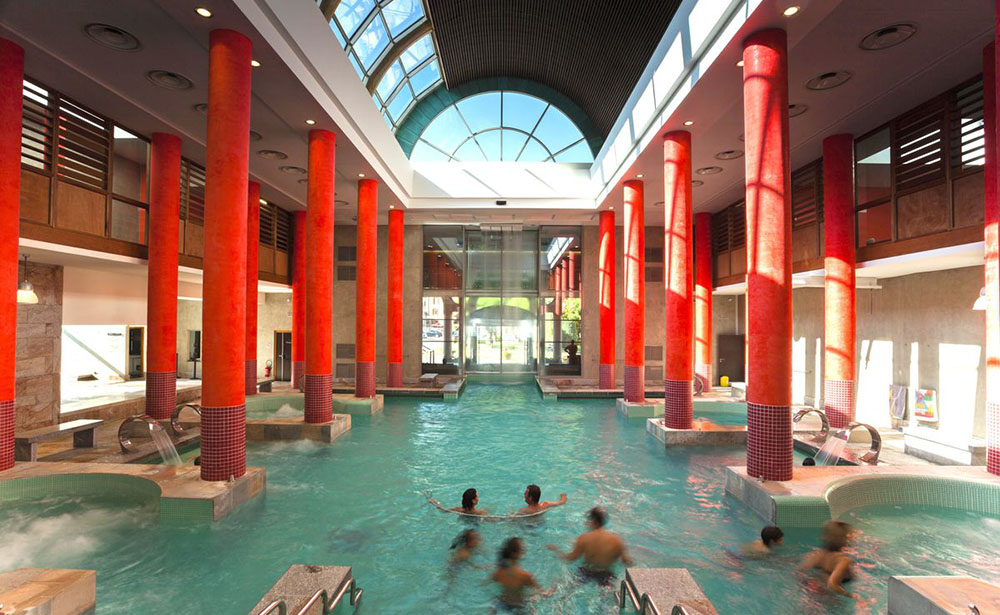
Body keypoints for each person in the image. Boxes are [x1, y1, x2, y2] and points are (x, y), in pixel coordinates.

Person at [547, 507, 632, 586]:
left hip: (586, 573)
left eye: (588, 520)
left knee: (565, 587)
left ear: (594, 521)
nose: (587, 523)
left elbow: (570, 559)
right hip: (606, 575)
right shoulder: (617, 540)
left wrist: (556, 550)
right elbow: (627, 562)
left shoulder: (584, 538)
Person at [798, 520, 858, 600]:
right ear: (845, 539)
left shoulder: (817, 554)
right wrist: (852, 596)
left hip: (812, 593)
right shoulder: (843, 560)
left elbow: (799, 571)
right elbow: (832, 583)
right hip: (829, 598)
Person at [490, 537, 553, 610]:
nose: (524, 550)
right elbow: (543, 593)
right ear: (515, 554)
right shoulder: (525, 576)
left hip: (501, 603)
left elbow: (486, 583)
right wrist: (554, 589)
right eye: (522, 549)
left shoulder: (498, 572)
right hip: (519, 606)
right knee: (533, 601)